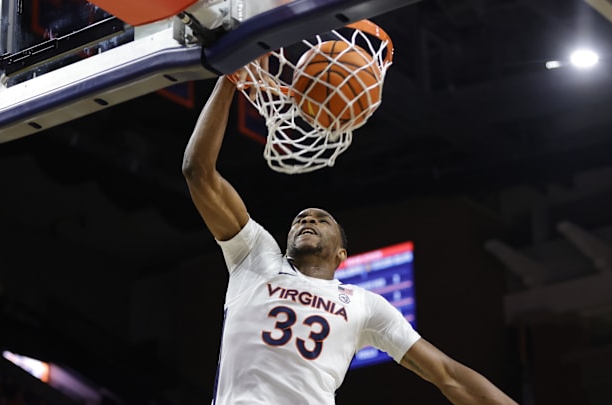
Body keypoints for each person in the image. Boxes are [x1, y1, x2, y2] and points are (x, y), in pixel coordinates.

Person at [182, 75, 519, 405]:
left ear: (341, 253)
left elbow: (448, 375)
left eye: (321, 219)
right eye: (300, 218)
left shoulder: (363, 304)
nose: (308, 219)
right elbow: (198, 171)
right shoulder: (255, 257)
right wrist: (230, 78)